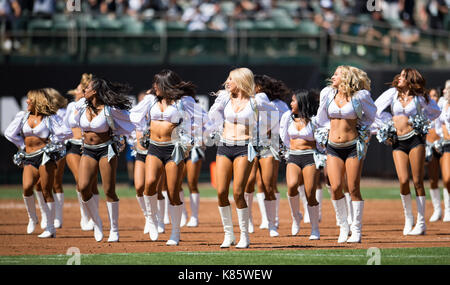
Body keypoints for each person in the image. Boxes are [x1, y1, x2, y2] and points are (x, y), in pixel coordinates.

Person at [130, 69, 206, 245]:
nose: (154, 86)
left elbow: (204, 119)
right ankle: (151, 218)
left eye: (157, 83)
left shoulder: (183, 101)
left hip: (174, 149)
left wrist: (192, 138)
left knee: (173, 192)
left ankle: (175, 233)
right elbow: (134, 116)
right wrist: (140, 135)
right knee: (149, 184)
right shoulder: (150, 100)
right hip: (154, 148)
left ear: (166, 84)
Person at [207, 67, 277, 248]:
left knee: (238, 192)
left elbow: (274, 114)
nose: (227, 82)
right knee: (221, 192)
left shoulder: (256, 100)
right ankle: (228, 234)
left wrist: (260, 133)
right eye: (228, 79)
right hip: (224, 145)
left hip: (245, 147)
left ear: (241, 81)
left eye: (231, 79)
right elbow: (212, 115)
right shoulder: (224, 98)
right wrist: (214, 131)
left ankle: (244, 235)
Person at [374, 68, 440, 236]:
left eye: (404, 76)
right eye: (401, 75)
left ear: (410, 79)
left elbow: (436, 112)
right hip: (398, 141)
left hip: (415, 139)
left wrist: (420, 121)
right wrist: (387, 125)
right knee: (403, 180)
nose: (400, 78)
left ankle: (421, 223)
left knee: (417, 181)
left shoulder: (420, 97)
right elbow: (374, 110)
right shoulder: (392, 94)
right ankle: (408, 218)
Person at [315, 65, 377, 243]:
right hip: (333, 146)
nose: (332, 76)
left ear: (346, 78)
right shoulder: (327, 93)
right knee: (335, 187)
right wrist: (327, 131)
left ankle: (356, 230)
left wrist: (359, 128)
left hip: (352, 146)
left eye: (336, 74)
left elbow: (371, 116)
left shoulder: (360, 96)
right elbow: (320, 118)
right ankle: (343, 227)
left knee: (353, 187)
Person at [72, 76, 134, 242]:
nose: (84, 90)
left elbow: (131, 121)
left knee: (109, 190)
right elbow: (70, 122)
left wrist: (123, 136)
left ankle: (114, 229)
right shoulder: (81, 105)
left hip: (106, 150)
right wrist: (76, 112)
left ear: (95, 92)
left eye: (88, 88)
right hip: (88, 150)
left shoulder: (109, 109)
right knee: (83, 187)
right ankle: (97, 222)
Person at [5, 89, 71, 237]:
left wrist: (53, 142)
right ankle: (32, 218)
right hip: (29, 157)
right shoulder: (23, 116)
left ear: (37, 101)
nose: (27, 101)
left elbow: (67, 132)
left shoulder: (50, 118)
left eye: (29, 99)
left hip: (45, 157)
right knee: (27, 187)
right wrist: (22, 146)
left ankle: (50, 227)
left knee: (47, 190)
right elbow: (10, 133)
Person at [244, 74, 286, 236]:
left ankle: (271, 223)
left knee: (268, 185)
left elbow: (279, 122)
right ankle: (248, 221)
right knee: (248, 183)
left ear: (259, 87)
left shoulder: (261, 98)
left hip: (268, 144)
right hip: (250, 144)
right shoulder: (246, 100)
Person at [280, 90, 321, 240]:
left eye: (293, 101)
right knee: (291, 186)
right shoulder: (287, 118)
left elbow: (319, 141)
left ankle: (315, 228)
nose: (291, 103)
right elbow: (284, 137)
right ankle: (296, 216)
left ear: (302, 102)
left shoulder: (315, 120)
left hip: (310, 156)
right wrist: (289, 151)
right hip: (293, 156)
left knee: (310, 192)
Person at [64, 73, 100, 232]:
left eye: (82, 90)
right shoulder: (73, 107)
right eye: (79, 90)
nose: (79, 92)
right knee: (81, 181)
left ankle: (94, 215)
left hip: (89, 147)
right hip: (73, 145)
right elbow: (65, 126)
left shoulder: (93, 106)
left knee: (92, 183)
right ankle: (85, 216)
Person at [426, 87, 444, 222]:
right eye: (430, 96)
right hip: (430, 147)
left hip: (443, 145)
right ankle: (437, 210)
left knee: (447, 179)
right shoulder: (425, 111)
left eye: (435, 95)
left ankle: (448, 209)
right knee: (433, 179)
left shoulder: (443, 109)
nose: (433, 98)